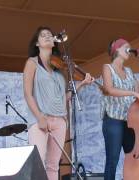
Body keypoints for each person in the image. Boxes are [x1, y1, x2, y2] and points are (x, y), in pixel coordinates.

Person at [23, 26, 93, 180]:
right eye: (43, 35)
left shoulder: (59, 70)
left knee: (53, 166)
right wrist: (39, 117)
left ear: (54, 42)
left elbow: (64, 98)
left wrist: (81, 84)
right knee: (38, 163)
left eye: (50, 35)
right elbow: (27, 94)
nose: (48, 36)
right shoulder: (32, 63)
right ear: (37, 43)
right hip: (40, 119)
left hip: (60, 120)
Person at [101, 38, 139, 180]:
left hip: (129, 121)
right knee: (113, 160)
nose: (130, 49)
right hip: (113, 120)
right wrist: (133, 93)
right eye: (126, 47)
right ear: (116, 49)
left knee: (133, 158)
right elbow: (109, 89)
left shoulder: (129, 71)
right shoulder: (107, 67)